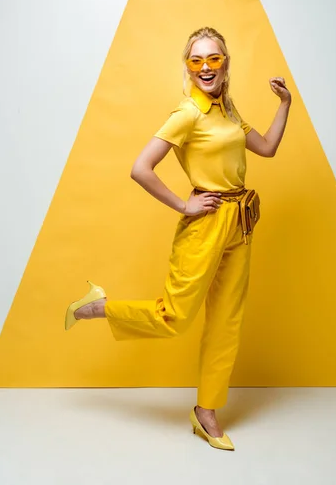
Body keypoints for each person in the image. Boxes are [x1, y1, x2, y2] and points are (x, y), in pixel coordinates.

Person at [65, 26, 291, 451]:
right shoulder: (187, 113)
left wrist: (285, 104)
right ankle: (97, 306)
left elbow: (268, 148)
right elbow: (141, 168)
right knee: (176, 317)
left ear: (226, 64)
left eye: (215, 58)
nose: (206, 67)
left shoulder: (228, 111)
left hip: (240, 222)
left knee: (226, 324)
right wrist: (183, 205)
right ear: (188, 66)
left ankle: (206, 412)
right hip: (205, 225)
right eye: (197, 59)